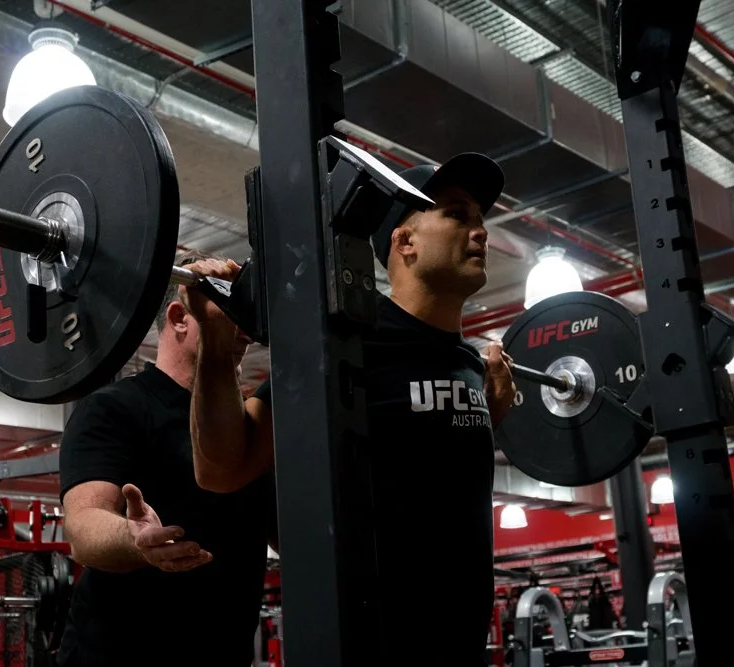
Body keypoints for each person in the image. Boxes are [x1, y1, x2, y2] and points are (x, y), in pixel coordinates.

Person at [186, 153, 517, 665]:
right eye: (456, 214)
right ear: (403, 242)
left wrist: (491, 415)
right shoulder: (348, 341)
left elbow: (432, 472)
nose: (480, 232)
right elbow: (222, 468)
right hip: (368, 647)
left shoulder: (470, 363)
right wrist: (213, 337)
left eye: (479, 220)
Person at [56, 252, 273, 667]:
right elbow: (83, 526)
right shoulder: (114, 407)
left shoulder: (251, 427)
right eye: (222, 306)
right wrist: (133, 541)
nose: (241, 326)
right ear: (179, 317)